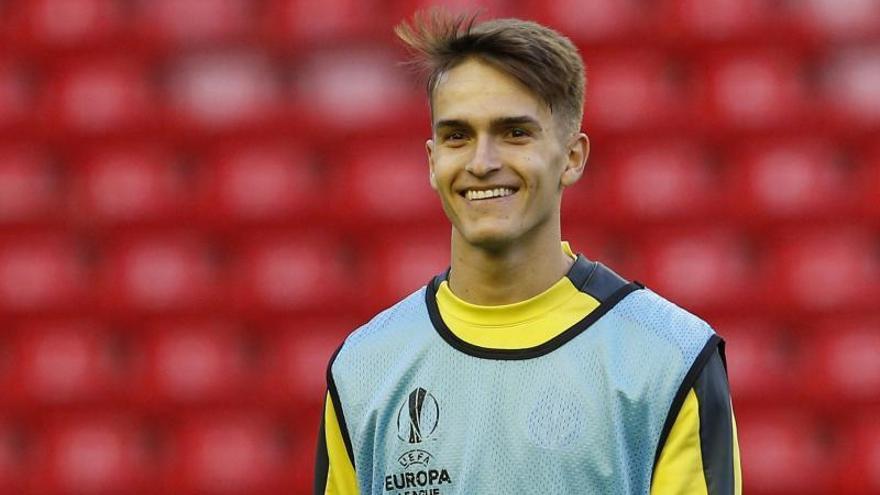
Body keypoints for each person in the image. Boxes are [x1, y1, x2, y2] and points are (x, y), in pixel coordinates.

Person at [314, 9, 741, 495]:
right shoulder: (364, 366)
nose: (482, 162)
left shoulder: (669, 358)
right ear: (432, 162)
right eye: (458, 136)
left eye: (515, 133)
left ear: (573, 157)